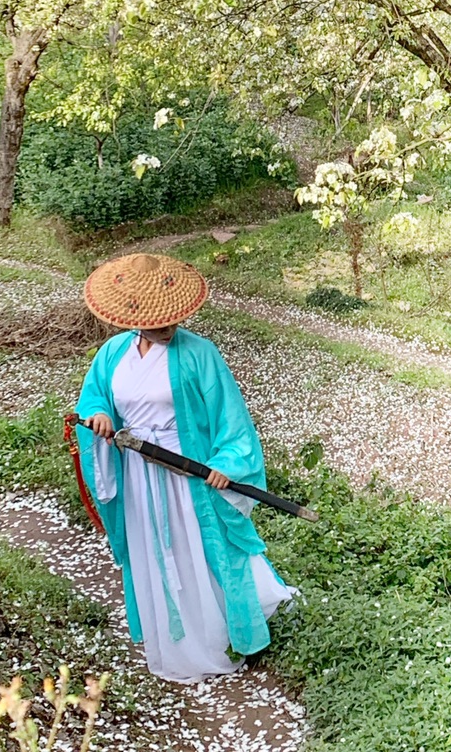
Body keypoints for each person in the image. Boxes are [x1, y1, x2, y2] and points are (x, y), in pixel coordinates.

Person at [75, 251, 296, 684]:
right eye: (158, 322)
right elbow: (94, 398)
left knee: (199, 546)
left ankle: (217, 632)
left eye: (173, 319)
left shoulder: (200, 354)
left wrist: (224, 464)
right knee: (157, 552)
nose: (168, 327)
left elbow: (231, 417)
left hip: (186, 471)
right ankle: (178, 638)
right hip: (139, 474)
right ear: (133, 316)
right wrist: (99, 416)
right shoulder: (112, 353)